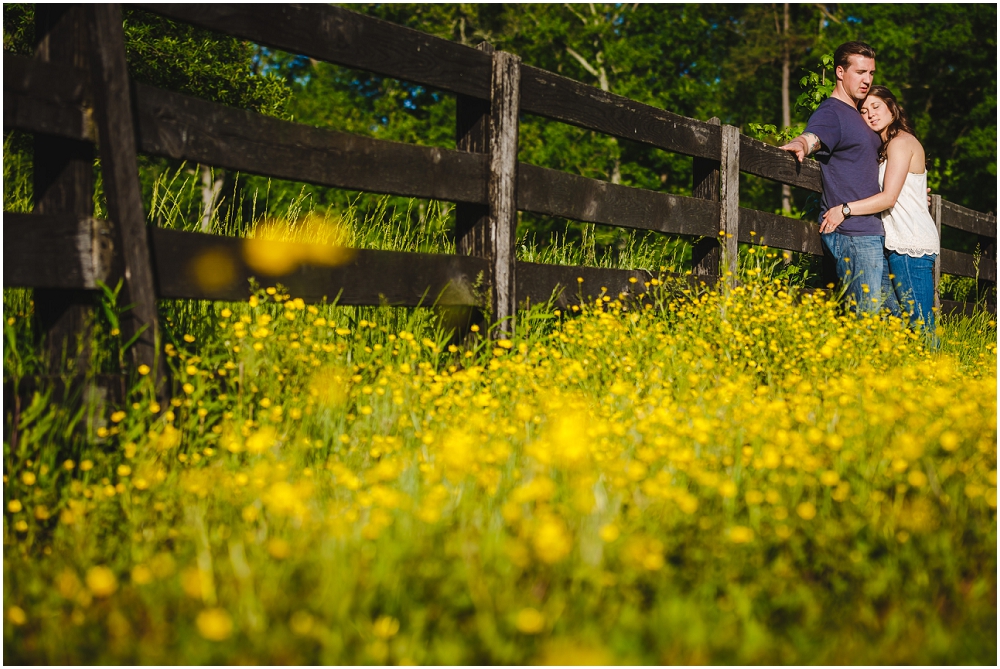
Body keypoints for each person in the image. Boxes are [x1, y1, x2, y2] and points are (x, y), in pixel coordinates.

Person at [780, 42, 898, 317]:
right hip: (851, 231)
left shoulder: (859, 116)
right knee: (867, 319)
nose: (867, 79)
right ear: (840, 72)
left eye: (871, 72)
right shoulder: (832, 111)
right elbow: (815, 135)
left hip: (870, 231)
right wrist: (801, 144)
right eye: (860, 72)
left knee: (892, 318)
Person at [819, 85, 940, 335]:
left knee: (919, 323)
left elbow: (889, 198)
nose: (870, 114)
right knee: (904, 321)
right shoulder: (887, 147)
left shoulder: (899, 142)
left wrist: (845, 209)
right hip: (899, 243)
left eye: (876, 106)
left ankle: (934, 370)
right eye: (863, 111)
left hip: (910, 244)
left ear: (892, 108)